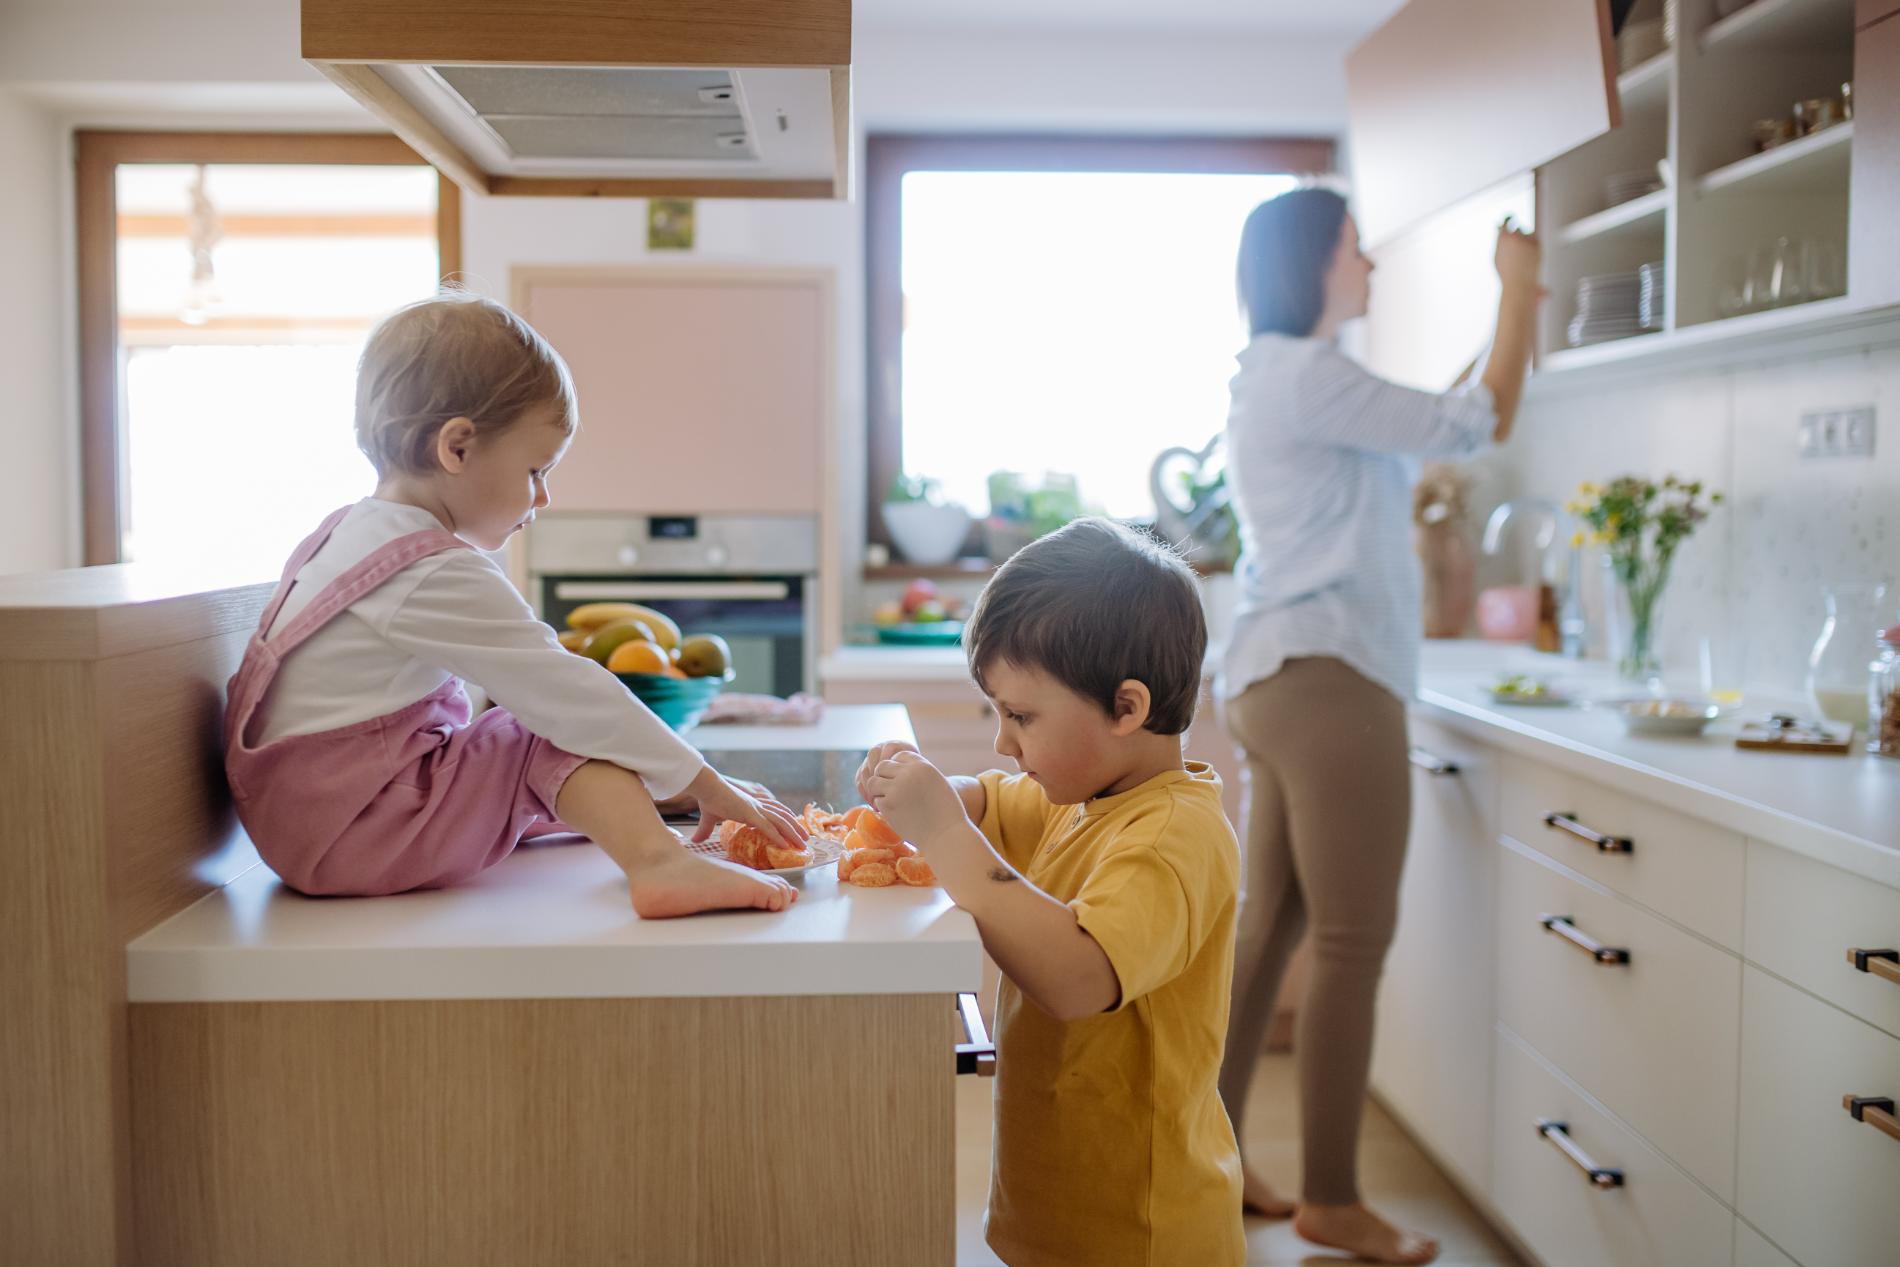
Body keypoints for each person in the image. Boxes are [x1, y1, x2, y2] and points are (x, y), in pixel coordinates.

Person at [223, 291, 805, 915]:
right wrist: (704, 779)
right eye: (535, 470)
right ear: (458, 448)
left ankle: (644, 818)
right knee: (546, 722)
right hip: (352, 832)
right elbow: (568, 694)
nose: (544, 497)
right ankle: (660, 866)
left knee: (534, 734)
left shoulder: (348, 534)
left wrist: (672, 781)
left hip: (306, 827)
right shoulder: (430, 567)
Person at [1215, 187, 1540, 1265]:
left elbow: (1429, 421)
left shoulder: (1280, 373)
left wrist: (1487, 335)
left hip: (1273, 673)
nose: (1371, 266)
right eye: (1357, 248)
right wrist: (1517, 293)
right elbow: (1483, 421)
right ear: (1313, 262)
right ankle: (1334, 1198)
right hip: (1331, 677)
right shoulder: (1313, 375)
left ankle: (1202, 1158)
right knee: (1350, 941)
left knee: (1270, 931)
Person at [858, 517, 1244, 1267]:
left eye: (1022, 716)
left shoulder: (1173, 837)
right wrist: (939, 793)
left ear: (1126, 708)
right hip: (1061, 1213)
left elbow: (1077, 975)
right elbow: (997, 803)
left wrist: (943, 834)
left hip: (1144, 1231)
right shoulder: (1083, 791)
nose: (1005, 742)